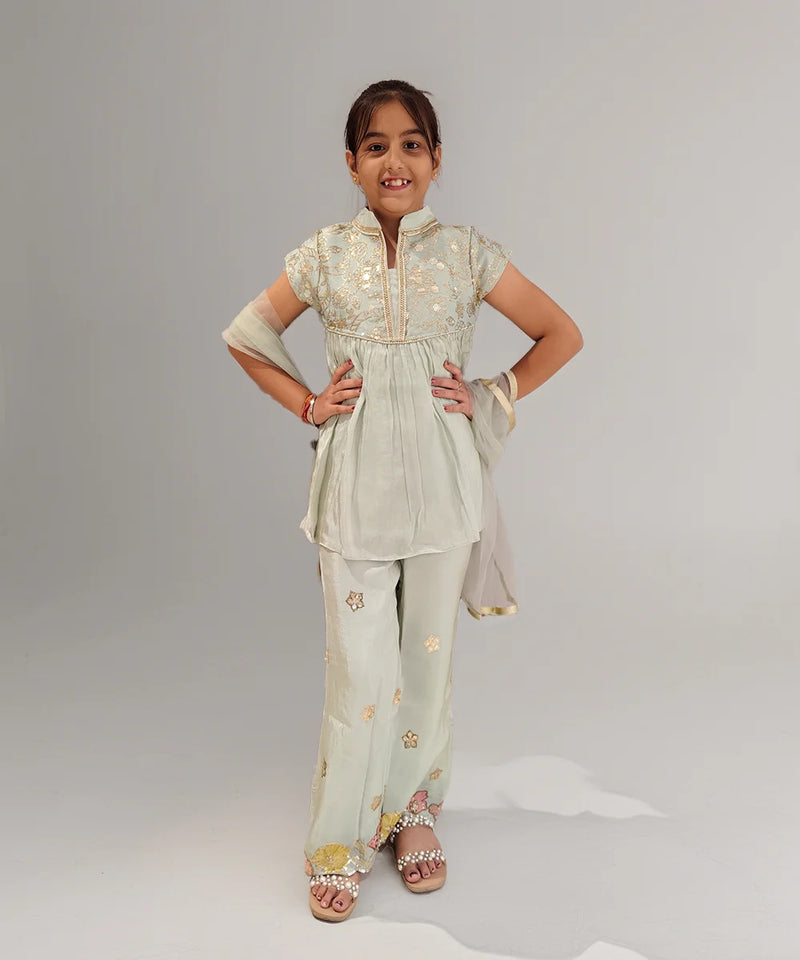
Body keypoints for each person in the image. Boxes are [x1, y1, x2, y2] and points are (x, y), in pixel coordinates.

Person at [221, 79, 583, 922]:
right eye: (376, 146)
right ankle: (340, 839)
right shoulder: (322, 255)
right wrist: (309, 403)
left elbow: (559, 333)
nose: (395, 160)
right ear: (352, 163)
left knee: (424, 666)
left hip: (445, 492)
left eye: (411, 144)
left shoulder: (466, 254)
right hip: (353, 493)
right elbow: (247, 335)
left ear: (436, 159)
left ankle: (413, 812)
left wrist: (492, 391)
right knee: (359, 676)